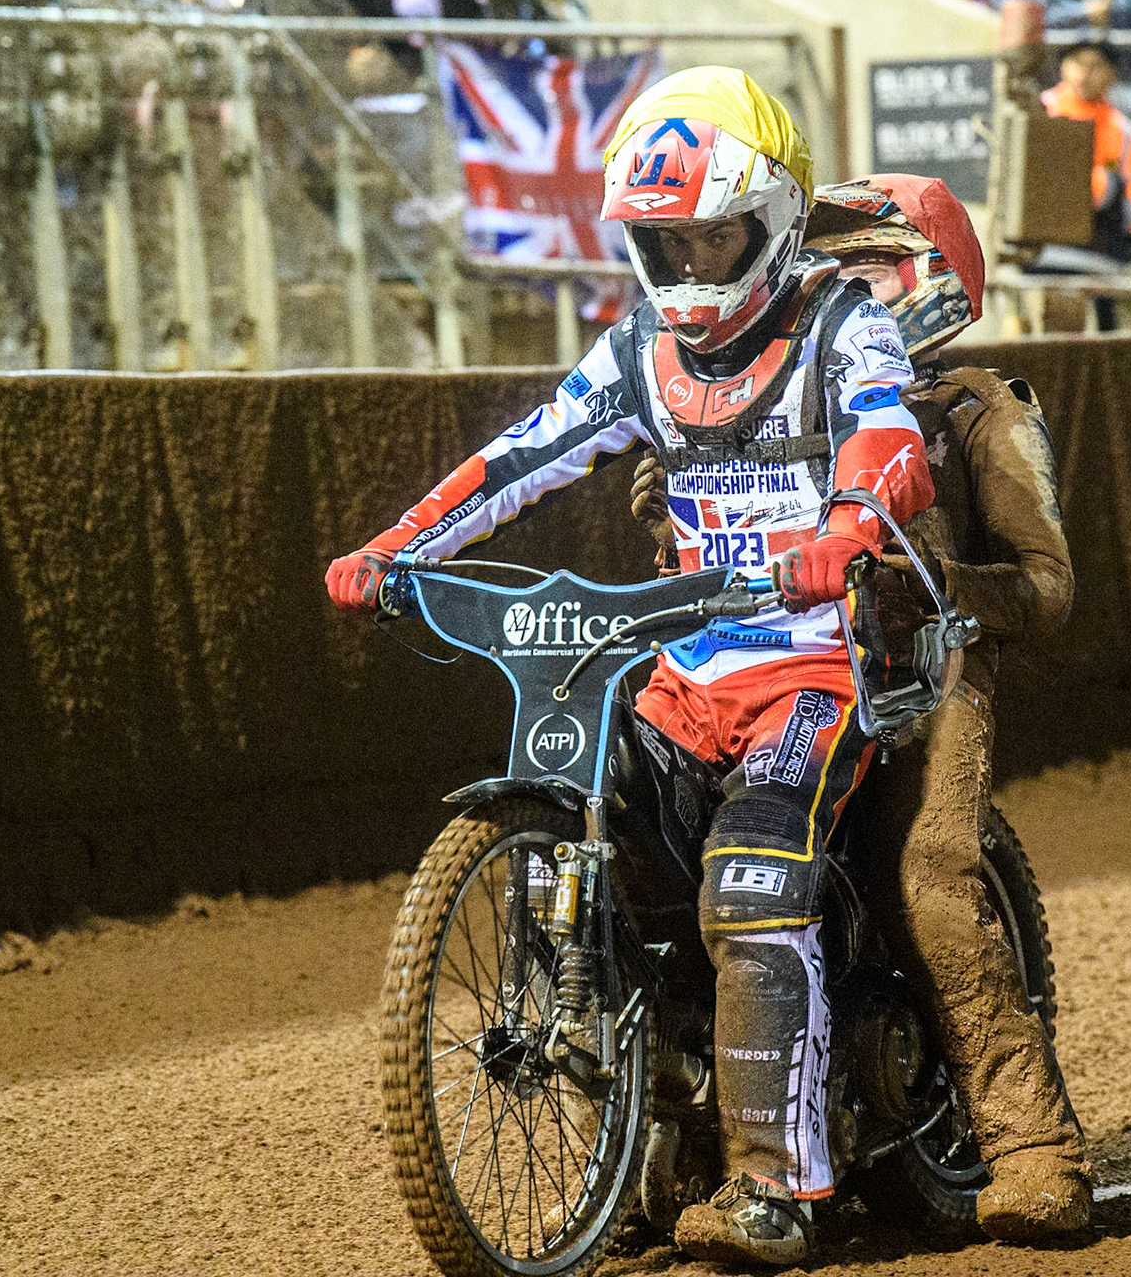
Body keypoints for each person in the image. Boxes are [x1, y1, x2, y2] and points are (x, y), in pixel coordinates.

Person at [324, 67, 934, 1269]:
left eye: (717, 233)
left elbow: (890, 440)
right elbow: (521, 458)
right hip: (684, 676)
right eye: (669, 241)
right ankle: (647, 1135)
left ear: (776, 220)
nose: (697, 264)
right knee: (601, 843)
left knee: (758, 873)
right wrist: (393, 548)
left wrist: (853, 523)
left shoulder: (840, 323)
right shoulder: (638, 351)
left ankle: (781, 1189)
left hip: (815, 670)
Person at [631, 174, 1092, 1242]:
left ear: (933, 278)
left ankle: (1034, 1150)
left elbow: (1046, 585)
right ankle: (708, 1139)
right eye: (826, 268)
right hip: (773, 672)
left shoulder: (979, 408)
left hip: (928, 678)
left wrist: (916, 586)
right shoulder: (756, 394)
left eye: (867, 269)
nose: (839, 290)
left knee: (927, 879)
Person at [1040, 42, 1131, 331]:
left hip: (1101, 252)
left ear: (1111, 74)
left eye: (1095, 65)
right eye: (1077, 63)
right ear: (1064, 68)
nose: (1085, 73)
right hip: (1044, 251)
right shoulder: (1040, 111)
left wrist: (1116, 210)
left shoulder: (1123, 128)